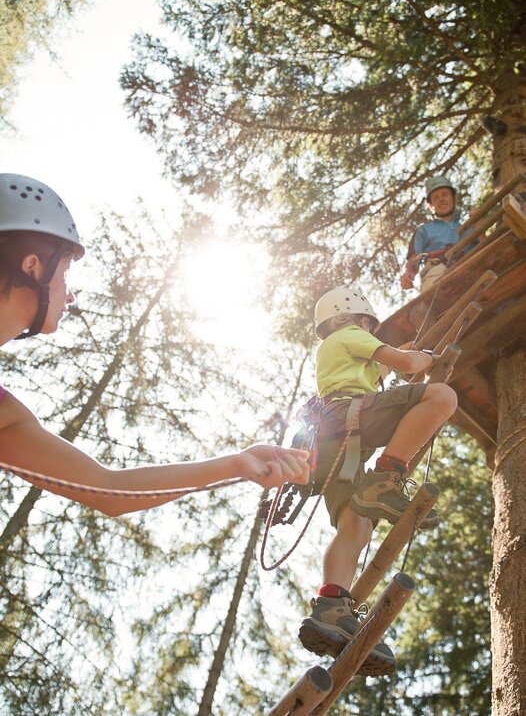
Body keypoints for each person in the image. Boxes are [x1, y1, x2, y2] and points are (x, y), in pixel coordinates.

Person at [0, 173, 310, 516]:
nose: (70, 295)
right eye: (67, 271)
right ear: (32, 266)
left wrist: (235, 464)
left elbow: (108, 490)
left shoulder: (6, 416)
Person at [298, 285, 457, 676]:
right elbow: (405, 364)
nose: (372, 330)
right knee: (441, 397)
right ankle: (387, 476)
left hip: (334, 441)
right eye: (369, 324)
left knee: (356, 524)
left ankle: (331, 607)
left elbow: (384, 367)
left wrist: (403, 357)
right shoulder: (348, 335)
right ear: (354, 319)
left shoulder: (339, 349)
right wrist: (425, 357)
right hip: (352, 419)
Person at [400, 175, 468, 292]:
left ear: (454, 198)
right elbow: (414, 258)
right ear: (431, 205)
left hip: (471, 268)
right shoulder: (424, 230)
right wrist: (408, 273)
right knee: (434, 297)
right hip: (437, 269)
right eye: (436, 197)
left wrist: (479, 222)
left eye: (444, 194)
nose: (441, 199)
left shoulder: (470, 226)